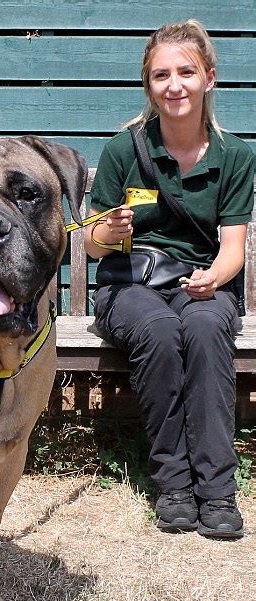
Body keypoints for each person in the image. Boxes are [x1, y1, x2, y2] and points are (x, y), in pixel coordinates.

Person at [84, 19, 254, 538]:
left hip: (203, 281)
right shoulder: (124, 150)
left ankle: (217, 491)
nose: (174, 85)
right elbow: (92, 245)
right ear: (148, 84)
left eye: (186, 72)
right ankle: (175, 484)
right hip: (129, 285)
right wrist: (109, 230)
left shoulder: (235, 156)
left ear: (209, 78)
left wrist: (212, 279)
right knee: (158, 331)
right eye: (161, 75)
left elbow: (232, 252)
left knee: (204, 330)